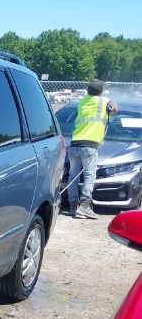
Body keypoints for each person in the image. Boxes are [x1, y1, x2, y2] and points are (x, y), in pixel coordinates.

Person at [68, 79, 118, 219]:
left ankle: (73, 205)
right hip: (90, 144)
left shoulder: (82, 101)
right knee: (89, 176)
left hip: (75, 142)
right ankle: (84, 206)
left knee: (73, 177)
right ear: (101, 91)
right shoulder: (104, 101)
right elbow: (115, 109)